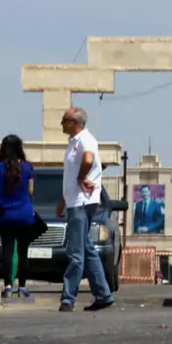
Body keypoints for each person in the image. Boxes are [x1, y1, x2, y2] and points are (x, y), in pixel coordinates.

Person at [57, 107, 115, 312]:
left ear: (74, 122)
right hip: (74, 201)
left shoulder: (85, 139)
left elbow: (88, 160)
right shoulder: (72, 144)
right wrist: (62, 202)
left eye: (64, 120)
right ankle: (103, 294)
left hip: (83, 202)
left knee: (76, 252)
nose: (61, 124)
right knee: (87, 248)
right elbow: (69, 176)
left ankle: (68, 298)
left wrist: (82, 178)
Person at [0, 134, 34, 298]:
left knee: (7, 250)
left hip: (6, 214)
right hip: (25, 215)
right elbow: (30, 191)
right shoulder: (27, 167)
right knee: (22, 252)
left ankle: (7, 286)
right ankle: (22, 287)